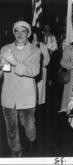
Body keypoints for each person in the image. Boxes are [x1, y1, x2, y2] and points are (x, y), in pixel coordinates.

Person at [0, 20, 41, 157]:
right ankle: (16, 154)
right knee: (11, 130)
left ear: (28, 34)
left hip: (26, 96)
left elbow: (34, 71)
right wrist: (1, 66)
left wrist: (13, 62)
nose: (20, 34)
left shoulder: (35, 50)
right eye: (16, 31)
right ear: (13, 33)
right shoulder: (5, 49)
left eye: (23, 31)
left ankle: (32, 142)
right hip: (8, 96)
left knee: (29, 126)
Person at [31, 28, 50, 107]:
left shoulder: (42, 46)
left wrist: (41, 64)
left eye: (36, 37)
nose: (35, 39)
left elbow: (47, 58)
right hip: (30, 72)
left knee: (40, 90)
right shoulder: (28, 45)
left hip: (41, 71)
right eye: (33, 37)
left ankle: (39, 105)